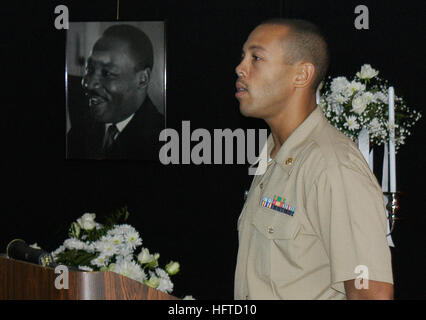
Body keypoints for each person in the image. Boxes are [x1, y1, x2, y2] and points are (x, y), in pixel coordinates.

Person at [234, 19, 394, 300]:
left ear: (302, 75)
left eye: (256, 57)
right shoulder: (273, 154)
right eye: (243, 57)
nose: (240, 68)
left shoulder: (333, 166)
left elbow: (372, 294)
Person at [67, 24, 164, 160]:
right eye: (89, 69)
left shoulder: (164, 143)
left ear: (142, 79)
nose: (88, 84)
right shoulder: (81, 130)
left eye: (107, 73)